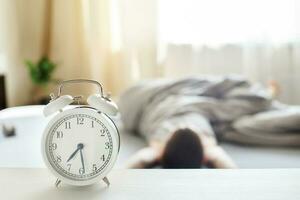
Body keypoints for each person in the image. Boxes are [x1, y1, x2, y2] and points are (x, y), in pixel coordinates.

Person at [125, 127, 236, 169]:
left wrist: (153, 151)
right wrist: (213, 151)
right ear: (205, 158)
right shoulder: (207, 139)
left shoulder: (158, 137)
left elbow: (124, 174)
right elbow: (235, 176)